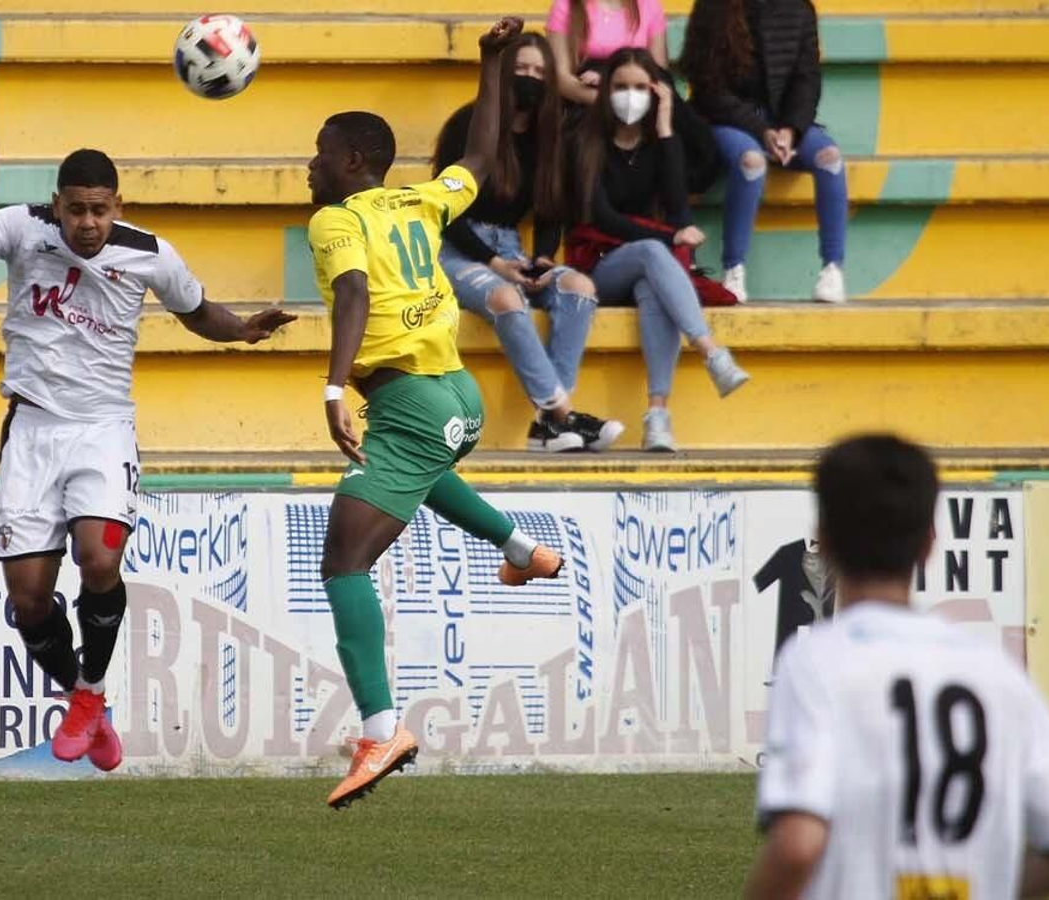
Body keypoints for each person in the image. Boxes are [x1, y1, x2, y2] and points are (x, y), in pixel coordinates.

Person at [0, 141, 294, 771]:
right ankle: (84, 699)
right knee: (30, 599)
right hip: (32, 432)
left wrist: (243, 331)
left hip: (102, 430)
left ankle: (89, 691)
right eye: (75, 211)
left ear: (117, 205)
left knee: (98, 558)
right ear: (56, 205)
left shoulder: (148, 252)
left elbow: (197, 311)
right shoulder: (20, 226)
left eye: (98, 210)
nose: (86, 224)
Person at [306, 16, 564, 809]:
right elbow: (481, 161)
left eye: (320, 152)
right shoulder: (418, 201)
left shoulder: (337, 219)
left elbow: (352, 292)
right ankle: (525, 549)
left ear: (353, 163)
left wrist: (332, 387)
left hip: (409, 401)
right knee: (415, 475)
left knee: (343, 564)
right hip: (457, 398)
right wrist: (489, 65)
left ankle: (382, 729)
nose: (309, 165)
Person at [744, 434, 1049, 900]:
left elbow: (797, 845)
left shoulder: (816, 660)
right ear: (929, 544)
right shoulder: (993, 670)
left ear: (826, 541)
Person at [433, 32, 622, 453]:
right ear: (502, 75)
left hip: (512, 246)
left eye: (540, 72)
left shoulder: (547, 135)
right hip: (458, 248)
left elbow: (551, 211)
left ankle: (549, 424)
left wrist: (541, 260)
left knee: (579, 287)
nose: (531, 79)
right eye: (521, 70)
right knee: (506, 299)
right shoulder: (468, 124)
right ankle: (564, 416)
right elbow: (446, 212)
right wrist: (496, 263)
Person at [572, 48, 751, 452]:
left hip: (645, 269)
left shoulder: (656, 144)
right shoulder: (586, 140)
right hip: (598, 265)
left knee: (653, 288)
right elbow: (602, 218)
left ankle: (658, 417)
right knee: (654, 250)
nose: (630, 96)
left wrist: (667, 126)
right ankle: (711, 352)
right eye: (620, 87)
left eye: (639, 87)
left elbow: (679, 209)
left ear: (654, 92)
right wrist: (670, 238)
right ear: (606, 92)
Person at [681, 0, 849, 304]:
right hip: (725, 119)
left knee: (830, 159)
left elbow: (807, 78)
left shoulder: (799, 8)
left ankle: (833, 268)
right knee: (751, 161)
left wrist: (791, 128)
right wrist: (761, 130)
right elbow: (707, 88)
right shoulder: (711, 7)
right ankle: (733, 268)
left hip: (782, 121)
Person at [546, 0, 670, 105]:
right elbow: (560, 78)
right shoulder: (565, 5)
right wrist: (607, 102)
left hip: (639, 101)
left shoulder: (650, 5)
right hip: (584, 105)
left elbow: (659, 74)